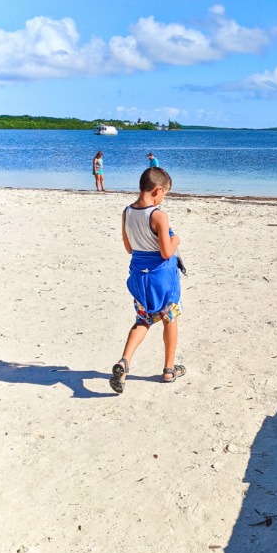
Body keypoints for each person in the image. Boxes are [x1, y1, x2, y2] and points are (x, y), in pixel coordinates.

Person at [109, 166, 185, 393]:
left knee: (143, 320)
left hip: (139, 277)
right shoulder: (158, 215)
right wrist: (177, 239)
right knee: (169, 318)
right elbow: (166, 252)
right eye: (165, 194)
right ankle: (169, 369)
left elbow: (128, 247)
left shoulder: (127, 212)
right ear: (157, 190)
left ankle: (124, 361)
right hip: (162, 278)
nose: (164, 199)